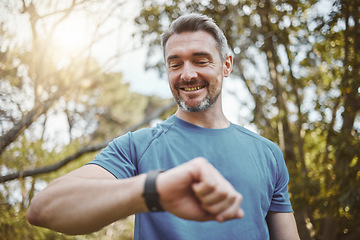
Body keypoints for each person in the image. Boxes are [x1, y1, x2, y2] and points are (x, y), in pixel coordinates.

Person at [27, 13, 300, 240]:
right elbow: (44, 209)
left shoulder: (269, 154)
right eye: (175, 63)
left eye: (201, 60)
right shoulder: (137, 146)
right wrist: (153, 191)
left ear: (226, 65)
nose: (187, 74)